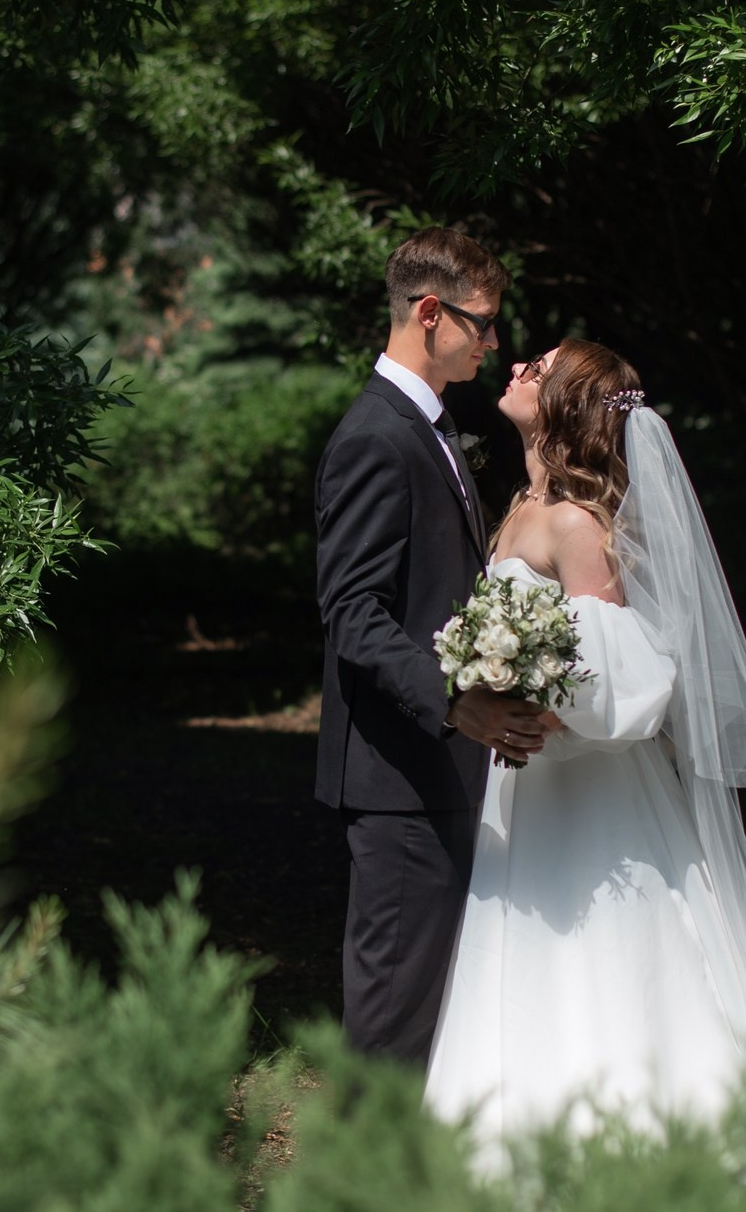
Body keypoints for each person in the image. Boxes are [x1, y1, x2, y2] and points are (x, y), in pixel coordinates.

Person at [423, 339, 746, 1156]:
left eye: (540, 369)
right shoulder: (522, 505)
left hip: (590, 792)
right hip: (528, 787)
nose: (518, 368)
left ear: (565, 405)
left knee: (603, 954)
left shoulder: (576, 523)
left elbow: (624, 671)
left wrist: (538, 702)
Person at [315, 228, 553, 1064]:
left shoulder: (430, 426)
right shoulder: (375, 437)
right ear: (429, 313)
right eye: (481, 322)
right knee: (394, 1021)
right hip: (401, 778)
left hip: (434, 772)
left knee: (430, 1015)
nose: (493, 341)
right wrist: (458, 702)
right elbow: (353, 613)